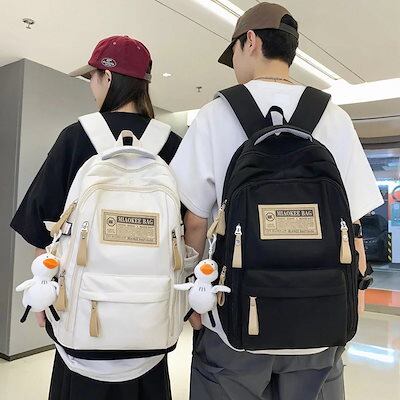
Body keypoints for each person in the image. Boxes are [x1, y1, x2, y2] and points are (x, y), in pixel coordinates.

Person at [170, 2, 383, 399]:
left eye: (233, 52)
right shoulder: (334, 116)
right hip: (320, 320)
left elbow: (195, 222)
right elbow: (351, 224)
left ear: (250, 41)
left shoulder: (216, 114)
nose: (234, 64)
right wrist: (355, 295)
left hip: (234, 319)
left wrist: (194, 300)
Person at [11, 35, 181, 400]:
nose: (91, 86)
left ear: (108, 77)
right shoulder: (172, 144)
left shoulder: (76, 138)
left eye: (93, 76)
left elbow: (41, 229)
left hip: (82, 325)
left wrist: (43, 294)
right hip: (150, 325)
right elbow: (189, 232)